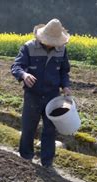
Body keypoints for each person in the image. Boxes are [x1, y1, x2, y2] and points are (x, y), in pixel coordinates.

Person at [11, 19, 72, 168]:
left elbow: (64, 71)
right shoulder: (29, 47)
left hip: (52, 96)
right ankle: (26, 158)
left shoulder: (62, 50)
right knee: (28, 127)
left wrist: (66, 86)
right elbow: (16, 66)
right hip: (33, 94)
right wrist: (24, 75)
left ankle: (47, 163)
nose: (53, 43)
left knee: (50, 130)